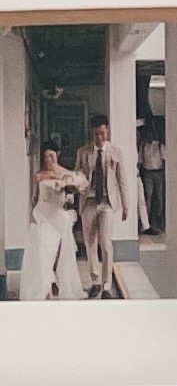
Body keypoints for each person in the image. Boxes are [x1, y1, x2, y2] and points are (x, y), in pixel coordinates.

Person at [17, 145, 81, 301]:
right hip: (42, 214)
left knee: (60, 252)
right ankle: (44, 286)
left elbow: (80, 182)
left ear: (57, 155)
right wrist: (32, 214)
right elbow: (35, 196)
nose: (48, 160)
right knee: (42, 249)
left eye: (51, 156)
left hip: (58, 215)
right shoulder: (39, 175)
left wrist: (67, 184)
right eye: (46, 157)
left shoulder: (65, 174)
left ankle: (58, 282)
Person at [80, 115, 135, 297]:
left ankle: (106, 285)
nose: (99, 138)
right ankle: (95, 279)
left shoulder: (115, 152)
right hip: (88, 202)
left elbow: (122, 180)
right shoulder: (83, 152)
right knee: (90, 243)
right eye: (96, 134)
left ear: (107, 130)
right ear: (91, 133)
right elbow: (77, 174)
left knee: (105, 243)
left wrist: (126, 205)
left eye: (102, 133)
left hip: (108, 203)